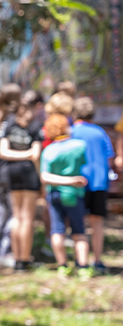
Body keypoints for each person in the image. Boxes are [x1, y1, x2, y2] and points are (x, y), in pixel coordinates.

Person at [40, 114, 90, 275]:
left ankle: (62, 266)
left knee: (57, 230)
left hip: (54, 194)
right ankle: (83, 267)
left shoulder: (48, 150)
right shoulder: (80, 146)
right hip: (75, 195)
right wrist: (72, 180)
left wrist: (62, 181)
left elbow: (45, 176)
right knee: (79, 231)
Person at [0, 96, 43, 271]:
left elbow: (3, 152)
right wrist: (28, 155)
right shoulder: (35, 126)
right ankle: (24, 259)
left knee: (16, 217)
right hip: (29, 173)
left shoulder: (9, 124)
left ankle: (17, 260)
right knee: (27, 218)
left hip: (12, 172)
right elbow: (36, 155)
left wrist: (15, 154)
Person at [71, 96, 115, 274]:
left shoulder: (71, 131)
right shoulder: (99, 132)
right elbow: (109, 158)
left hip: (77, 182)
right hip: (99, 183)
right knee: (97, 222)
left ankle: (81, 261)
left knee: (78, 223)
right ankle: (98, 260)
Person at [0, 84, 22, 267]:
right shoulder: (13, 121)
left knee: (2, 214)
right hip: (11, 174)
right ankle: (6, 252)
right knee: (13, 215)